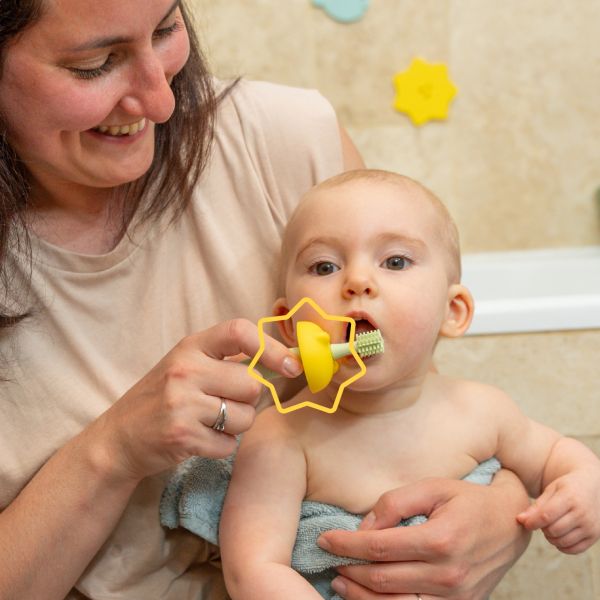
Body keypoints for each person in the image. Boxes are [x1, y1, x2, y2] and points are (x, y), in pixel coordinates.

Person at [0, 1, 530, 599]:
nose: (164, 102)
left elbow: (410, 403)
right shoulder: (279, 442)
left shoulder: (286, 137)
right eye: (95, 64)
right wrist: (113, 450)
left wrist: (501, 516)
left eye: (167, 29)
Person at [218, 169, 600, 600]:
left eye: (395, 262)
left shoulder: (480, 410)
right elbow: (251, 570)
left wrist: (585, 482)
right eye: (325, 266)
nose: (357, 282)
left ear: (452, 311)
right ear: (289, 327)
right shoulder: (281, 437)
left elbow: (554, 455)